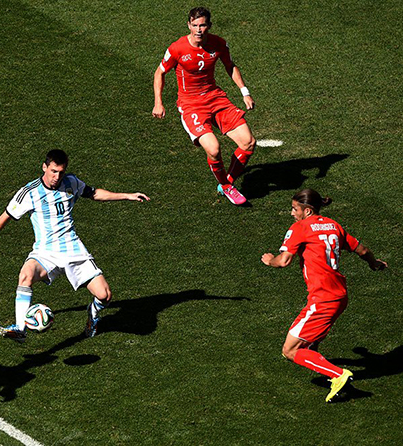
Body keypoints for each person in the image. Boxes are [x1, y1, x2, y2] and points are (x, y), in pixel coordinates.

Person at [0, 149, 149, 342]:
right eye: (53, 171)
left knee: (105, 295)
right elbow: (7, 215)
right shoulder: (29, 192)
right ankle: (20, 328)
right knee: (25, 275)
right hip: (45, 252)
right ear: (44, 167)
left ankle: (93, 314)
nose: (57, 177)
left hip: (73, 249)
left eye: (61, 172)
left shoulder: (71, 182)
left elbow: (94, 193)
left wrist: (128, 195)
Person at [261, 189, 387, 402]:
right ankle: (325, 366)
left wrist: (270, 259)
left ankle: (338, 374)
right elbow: (363, 250)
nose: (292, 213)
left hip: (322, 299)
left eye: (295, 209)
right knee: (308, 344)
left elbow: (284, 261)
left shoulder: (300, 228)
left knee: (290, 350)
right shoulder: (333, 225)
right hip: (340, 296)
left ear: (307, 211)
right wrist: (374, 264)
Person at [152, 7, 256, 206]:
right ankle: (227, 186)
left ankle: (227, 184)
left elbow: (230, 65)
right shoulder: (177, 48)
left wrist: (245, 92)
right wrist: (159, 102)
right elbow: (160, 73)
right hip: (191, 105)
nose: (199, 29)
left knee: (248, 142)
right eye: (195, 25)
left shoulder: (218, 44)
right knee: (214, 149)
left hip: (216, 99)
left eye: (203, 25)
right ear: (189, 26)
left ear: (209, 25)